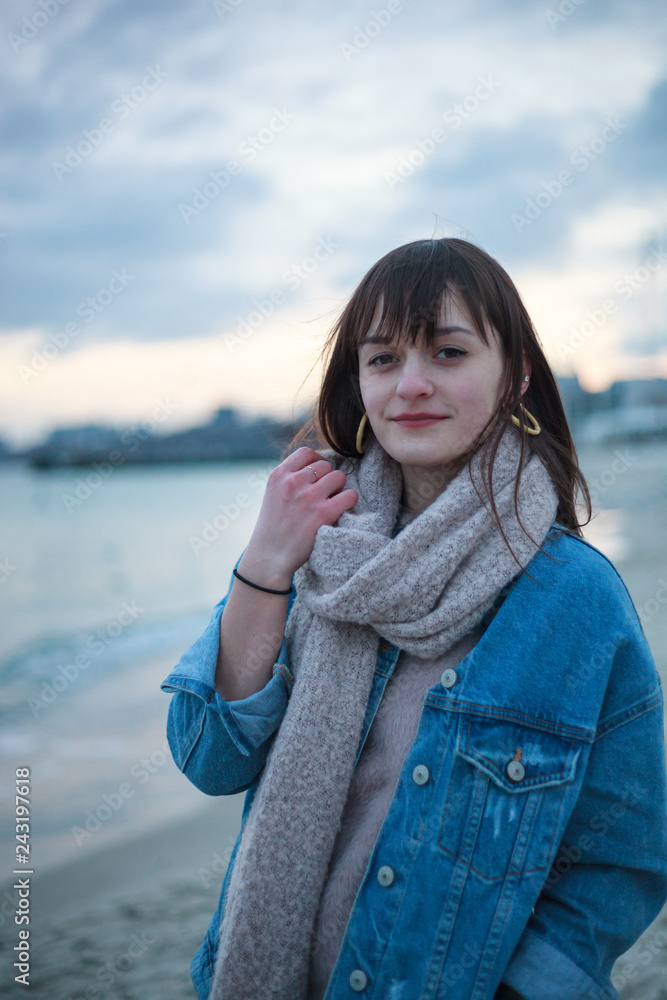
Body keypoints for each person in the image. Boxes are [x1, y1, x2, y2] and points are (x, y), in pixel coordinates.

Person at [160, 238, 667, 1000]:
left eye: (448, 352)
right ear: (357, 381)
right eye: (383, 359)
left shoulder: (575, 598)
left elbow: (621, 854)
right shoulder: (314, 557)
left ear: (515, 376)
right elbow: (209, 758)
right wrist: (263, 563)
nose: (412, 386)